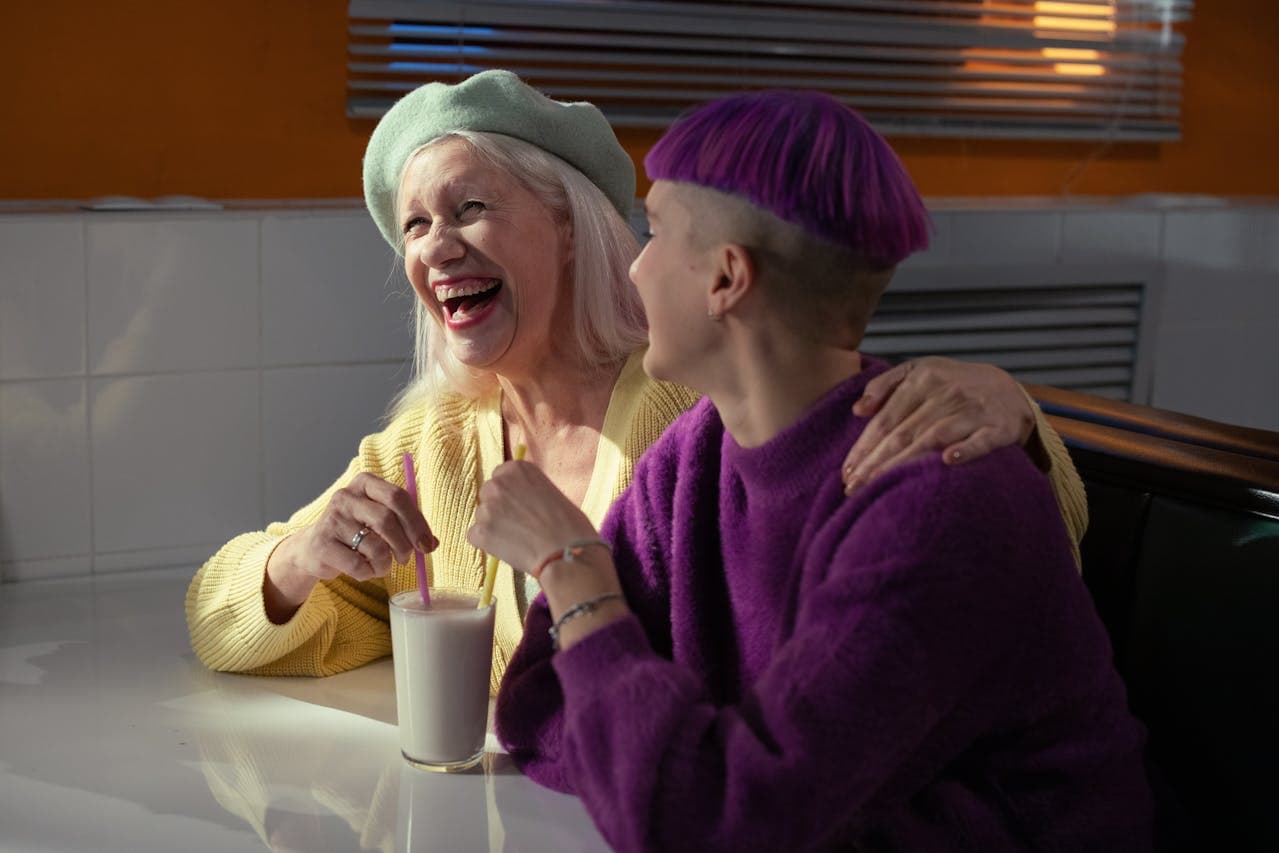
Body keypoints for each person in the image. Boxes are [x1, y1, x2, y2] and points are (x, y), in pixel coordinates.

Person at [185, 70, 1086, 693]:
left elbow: (983, 525)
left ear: (572, 226)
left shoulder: (699, 406)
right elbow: (217, 615)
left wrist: (1016, 415)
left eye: (470, 208)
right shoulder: (432, 444)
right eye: (415, 226)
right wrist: (297, 562)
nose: (434, 245)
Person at [474, 90, 1153, 850]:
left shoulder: (934, 504)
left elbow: (712, 822)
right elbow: (536, 708)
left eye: (655, 232)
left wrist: (571, 569)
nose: (634, 268)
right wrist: (685, 769)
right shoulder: (693, 453)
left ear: (726, 278)